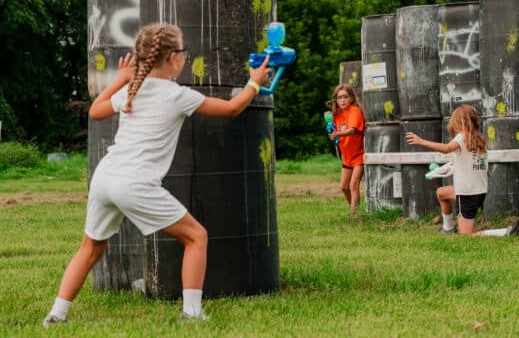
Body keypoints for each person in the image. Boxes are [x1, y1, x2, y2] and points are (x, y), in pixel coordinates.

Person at [43, 23, 271, 327]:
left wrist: (120, 78)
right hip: (133, 183)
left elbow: (95, 111)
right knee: (196, 236)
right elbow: (231, 109)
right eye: (184, 52)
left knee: (90, 248)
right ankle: (192, 314)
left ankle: (57, 314)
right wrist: (254, 83)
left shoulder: (131, 89)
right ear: (173, 58)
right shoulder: (177, 95)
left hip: (105, 178)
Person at [405, 105, 519, 236]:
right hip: (478, 190)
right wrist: (452, 166)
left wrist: (422, 141)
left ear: (460, 121)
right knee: (441, 193)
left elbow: (447, 148)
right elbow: (471, 162)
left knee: (467, 236)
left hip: (466, 194)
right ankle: (448, 228)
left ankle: (505, 232)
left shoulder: (462, 137)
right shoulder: (478, 138)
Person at [326, 84, 365, 214]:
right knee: (343, 187)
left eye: (345, 97)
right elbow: (338, 131)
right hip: (346, 156)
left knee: (353, 185)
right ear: (336, 100)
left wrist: (338, 134)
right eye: (339, 97)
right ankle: (355, 210)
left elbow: (352, 130)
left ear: (351, 99)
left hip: (359, 155)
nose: (342, 100)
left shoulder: (355, 111)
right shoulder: (337, 114)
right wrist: (333, 134)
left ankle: (355, 215)